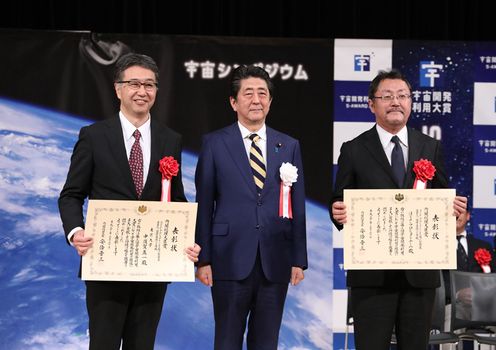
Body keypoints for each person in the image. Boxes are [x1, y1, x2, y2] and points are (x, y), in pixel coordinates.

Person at [58, 52, 200, 350]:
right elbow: (71, 195)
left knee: (143, 345)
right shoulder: (94, 136)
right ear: (118, 88)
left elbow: (176, 199)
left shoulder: (169, 139)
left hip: (152, 266)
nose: (142, 91)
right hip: (106, 265)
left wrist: (189, 239)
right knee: (104, 344)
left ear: (156, 91)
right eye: (134, 83)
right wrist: (75, 232)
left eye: (149, 85)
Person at [330, 69, 467, 350]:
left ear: (411, 102)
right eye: (387, 96)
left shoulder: (430, 147)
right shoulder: (353, 150)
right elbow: (339, 202)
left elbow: (441, 198)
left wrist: (451, 209)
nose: (396, 102)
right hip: (371, 275)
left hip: (418, 276)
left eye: (402, 96)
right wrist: (338, 213)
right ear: (371, 104)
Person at [195, 65, 308, 350]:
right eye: (248, 93)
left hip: (276, 260)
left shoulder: (289, 145)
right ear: (234, 102)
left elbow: (297, 205)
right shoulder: (214, 144)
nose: (256, 99)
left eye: (262, 93)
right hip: (228, 258)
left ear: (270, 101)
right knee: (227, 341)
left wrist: (298, 258)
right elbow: (204, 203)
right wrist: (203, 258)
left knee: (266, 342)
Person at [441, 208, 495, 350]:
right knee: (448, 323)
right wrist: (457, 294)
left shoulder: (484, 246)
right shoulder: (439, 246)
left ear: (468, 216)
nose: (457, 215)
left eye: (461, 211)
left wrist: (480, 294)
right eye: (453, 212)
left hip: (485, 306)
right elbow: (436, 280)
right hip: (453, 305)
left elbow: (493, 278)